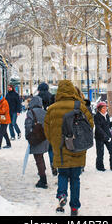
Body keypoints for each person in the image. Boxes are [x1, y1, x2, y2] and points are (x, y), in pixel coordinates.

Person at [44, 80, 94, 216]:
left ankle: (61, 195)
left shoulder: (52, 108)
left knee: (63, 174)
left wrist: (54, 142)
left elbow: (47, 130)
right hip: (77, 148)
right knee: (75, 178)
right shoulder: (80, 106)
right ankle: (74, 207)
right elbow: (90, 125)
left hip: (60, 149)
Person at [25, 96, 50, 189]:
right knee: (41, 156)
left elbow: (28, 126)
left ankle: (43, 180)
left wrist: (28, 136)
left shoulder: (30, 112)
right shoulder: (45, 112)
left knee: (38, 158)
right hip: (44, 137)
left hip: (36, 137)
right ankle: (42, 173)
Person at [94, 101, 112, 172]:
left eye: (106, 108)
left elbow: (106, 125)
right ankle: (99, 166)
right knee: (100, 152)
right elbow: (99, 128)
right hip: (100, 137)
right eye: (103, 108)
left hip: (108, 136)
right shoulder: (96, 116)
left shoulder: (106, 115)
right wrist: (105, 136)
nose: (105, 109)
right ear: (99, 109)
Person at [37, 82, 57, 176]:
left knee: (40, 149)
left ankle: (41, 168)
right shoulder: (52, 97)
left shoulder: (37, 98)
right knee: (51, 148)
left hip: (40, 126)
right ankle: (53, 164)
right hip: (51, 125)